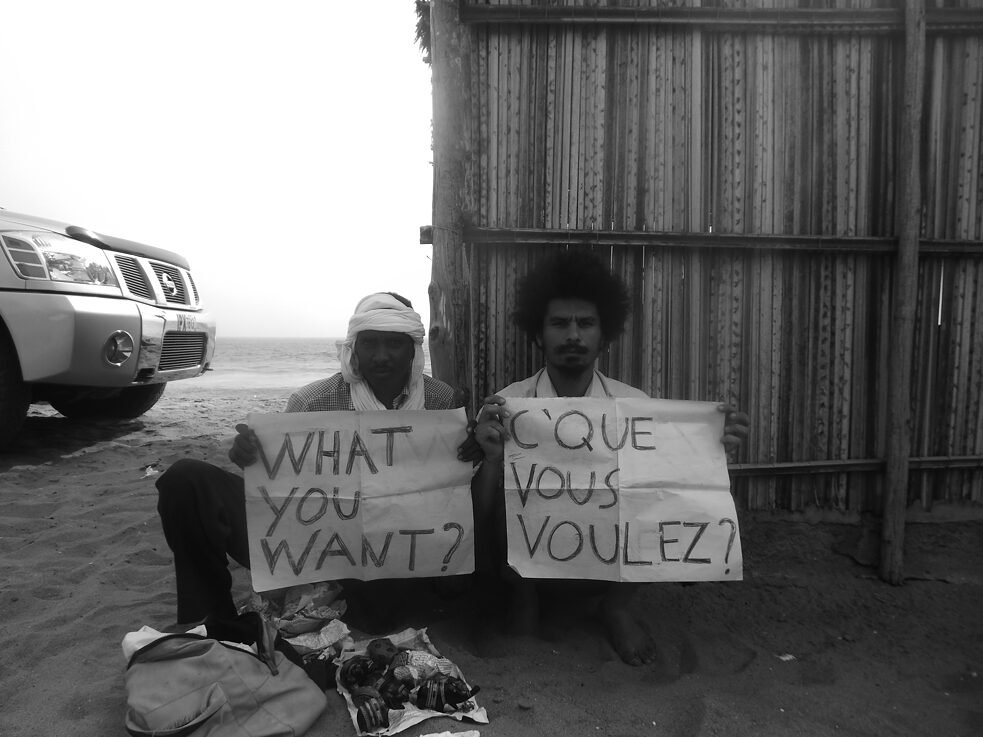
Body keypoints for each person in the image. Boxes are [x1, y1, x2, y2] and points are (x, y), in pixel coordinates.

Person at [467, 251, 750, 666]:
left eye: (586, 323)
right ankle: (524, 600)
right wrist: (492, 459)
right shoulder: (507, 405)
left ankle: (617, 607)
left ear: (605, 335)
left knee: (649, 496)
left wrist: (708, 453)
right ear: (538, 334)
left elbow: (678, 499)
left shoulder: (636, 407)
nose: (573, 335)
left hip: (607, 565)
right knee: (509, 496)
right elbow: (477, 513)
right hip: (528, 565)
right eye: (559, 323)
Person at [155, 292, 461, 628]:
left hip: (395, 551)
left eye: (394, 343)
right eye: (369, 343)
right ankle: (210, 617)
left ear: (413, 348)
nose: (381, 356)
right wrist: (252, 458)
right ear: (353, 347)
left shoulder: (442, 401)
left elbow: (454, 492)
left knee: (384, 612)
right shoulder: (312, 402)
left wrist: (472, 454)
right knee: (186, 480)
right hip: (323, 547)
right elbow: (283, 488)